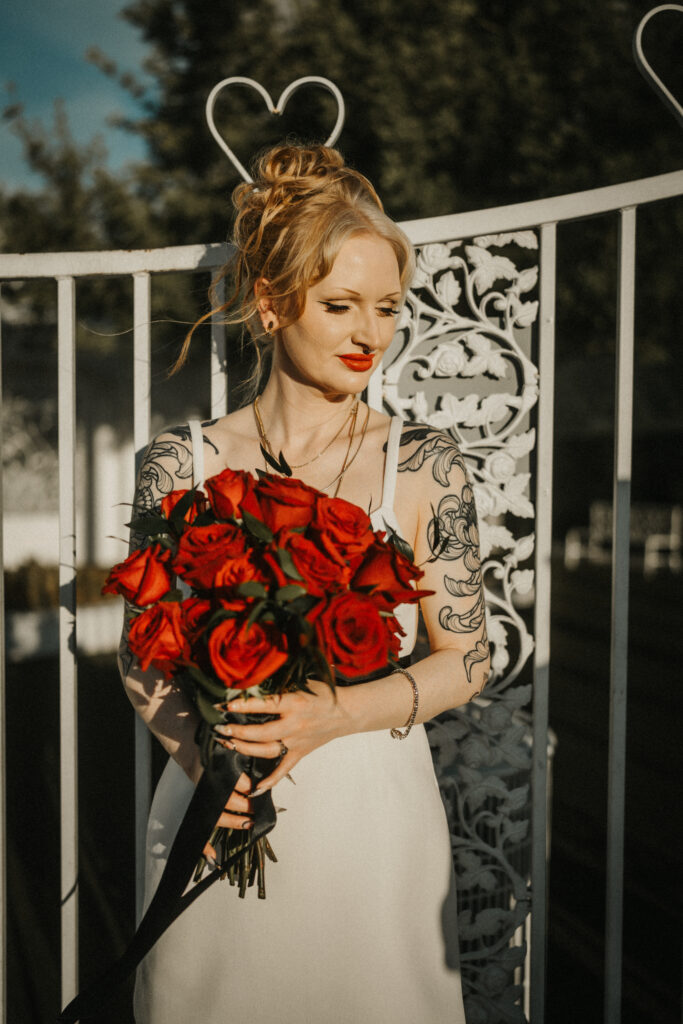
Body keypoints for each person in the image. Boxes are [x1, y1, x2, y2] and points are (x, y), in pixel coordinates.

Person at [119, 143, 490, 1024]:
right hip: (214, 802)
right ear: (270, 302)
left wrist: (336, 713)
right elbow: (143, 654)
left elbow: (467, 658)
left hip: (373, 814)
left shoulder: (423, 464)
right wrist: (213, 775)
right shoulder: (180, 463)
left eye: (388, 308)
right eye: (340, 305)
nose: (370, 333)